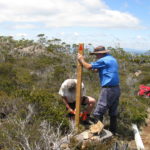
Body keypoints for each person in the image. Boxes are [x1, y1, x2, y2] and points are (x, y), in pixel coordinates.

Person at [78, 46, 121, 135]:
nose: (96, 57)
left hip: (108, 89)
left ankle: (98, 133)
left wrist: (81, 60)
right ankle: (113, 132)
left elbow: (89, 67)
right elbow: (98, 69)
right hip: (116, 89)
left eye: (96, 55)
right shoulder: (112, 59)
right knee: (113, 112)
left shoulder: (103, 60)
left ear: (100, 53)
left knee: (98, 112)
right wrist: (95, 69)